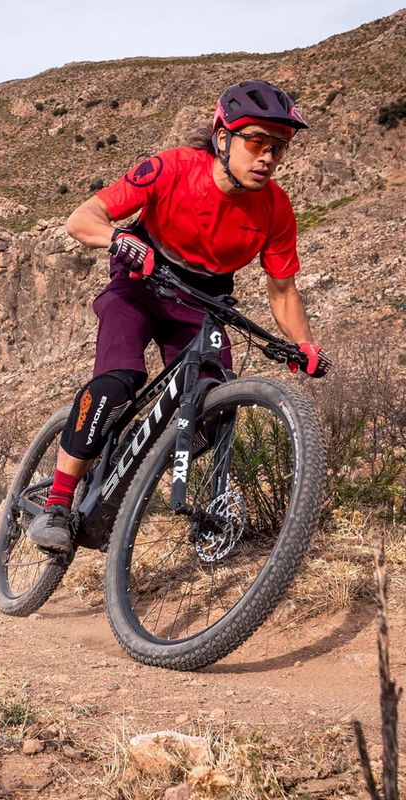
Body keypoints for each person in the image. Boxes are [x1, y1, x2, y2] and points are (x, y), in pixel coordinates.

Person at [27, 79, 332, 554]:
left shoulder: (276, 208)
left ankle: (135, 482)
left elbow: (282, 287)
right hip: (140, 285)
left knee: (213, 408)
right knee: (117, 383)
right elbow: (83, 218)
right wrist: (116, 238)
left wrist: (304, 345)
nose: (267, 156)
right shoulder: (171, 169)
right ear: (223, 137)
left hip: (204, 303)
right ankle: (59, 503)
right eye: (256, 141)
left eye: (278, 147)